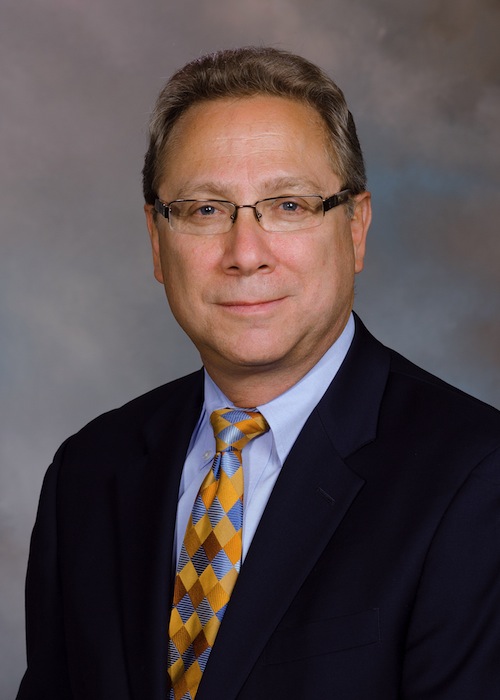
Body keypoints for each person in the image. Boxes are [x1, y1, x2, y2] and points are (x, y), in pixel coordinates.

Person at [17, 46, 500, 700]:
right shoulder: (88, 473)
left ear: (355, 227)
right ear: (157, 240)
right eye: (205, 210)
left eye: (289, 205)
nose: (245, 254)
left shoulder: (476, 479)